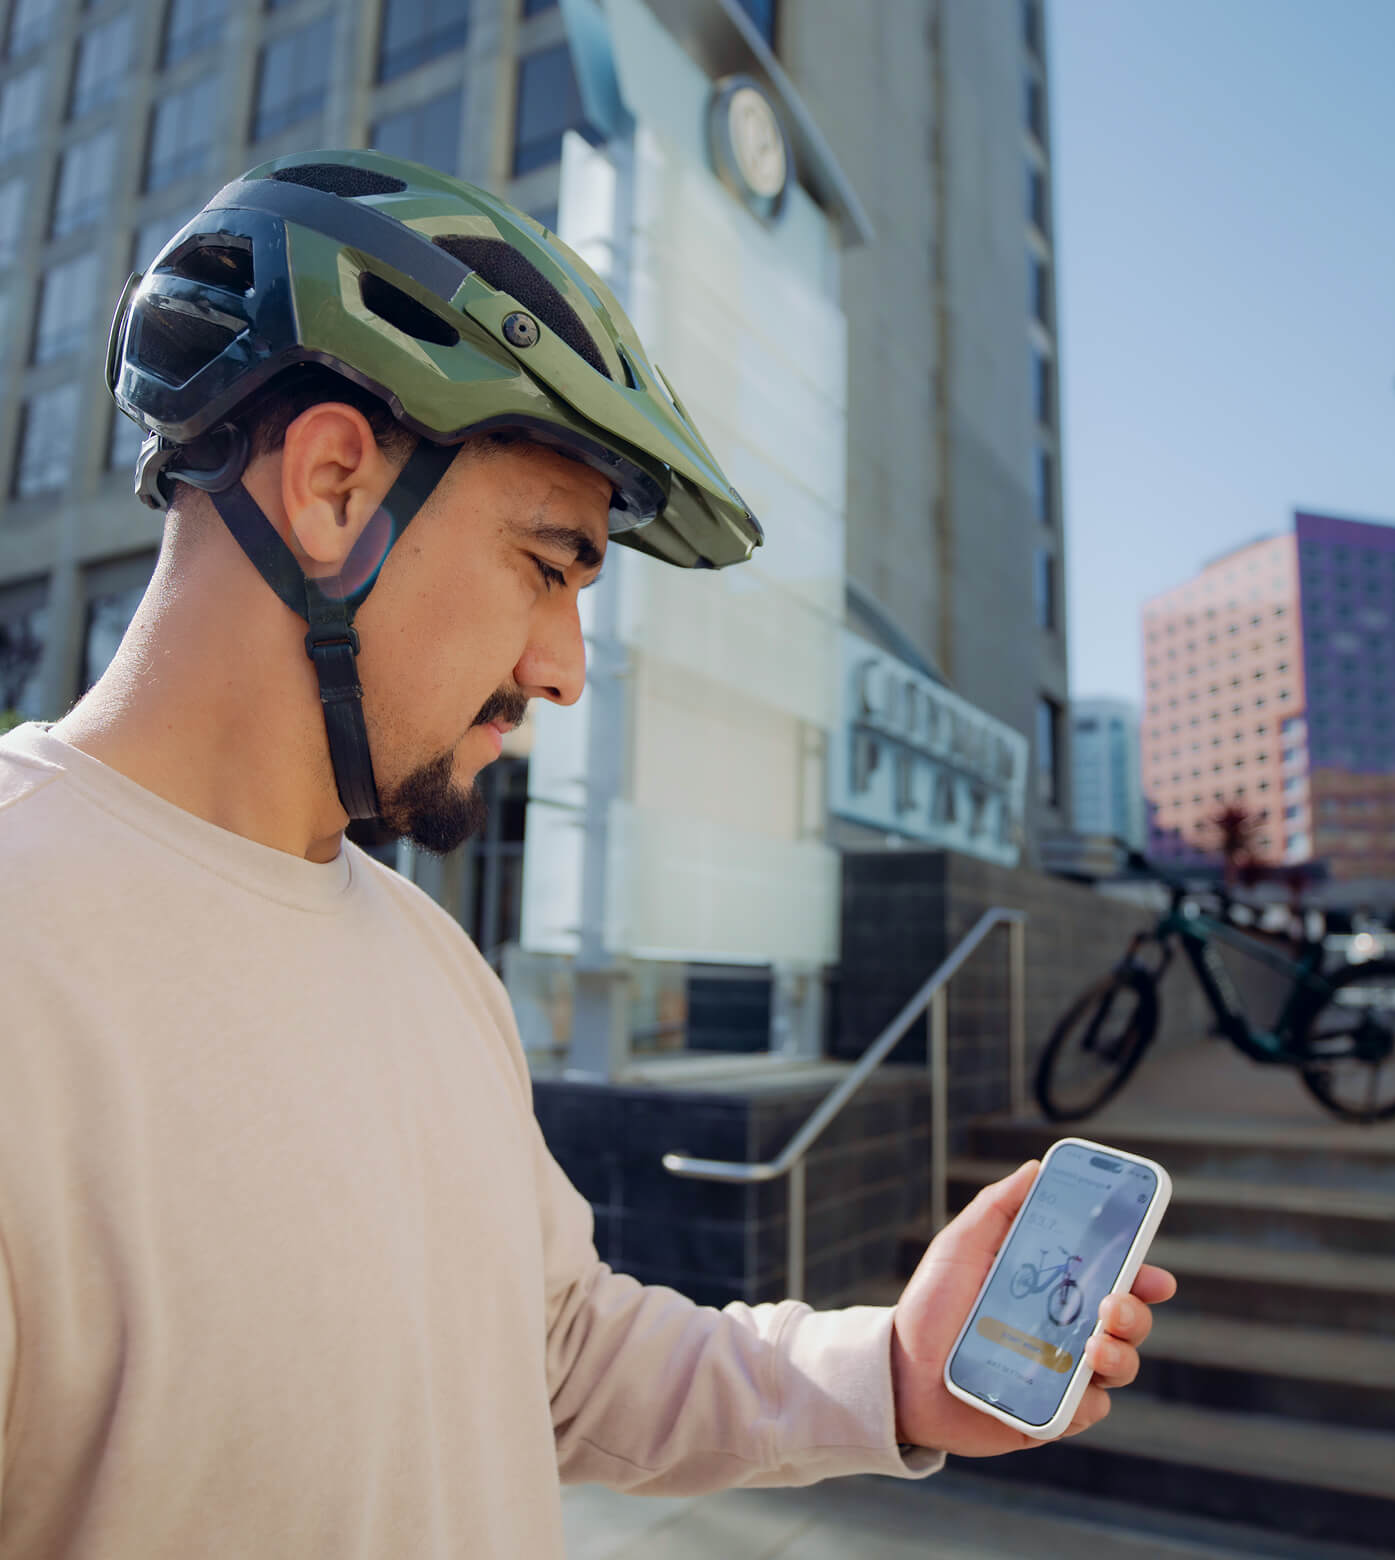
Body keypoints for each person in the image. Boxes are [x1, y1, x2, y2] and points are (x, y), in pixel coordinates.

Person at [0, 150, 1174, 1559]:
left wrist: (897, 1378)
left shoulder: (430, 957)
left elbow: (555, 1351)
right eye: (548, 567)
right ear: (331, 488)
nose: (564, 669)